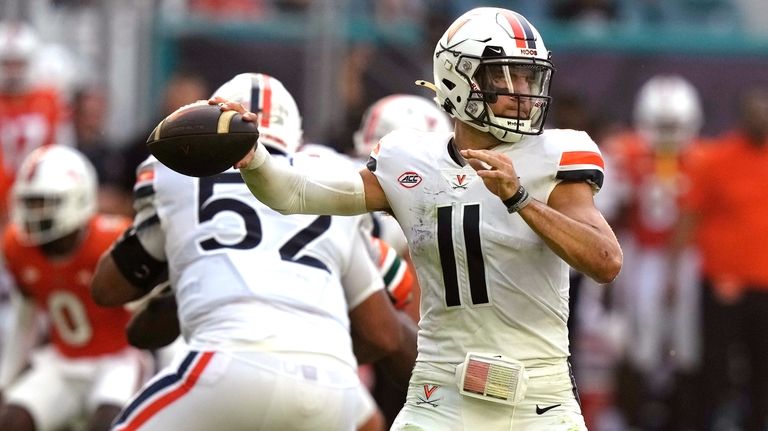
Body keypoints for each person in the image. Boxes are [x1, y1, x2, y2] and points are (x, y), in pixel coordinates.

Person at [227, 7, 622, 430]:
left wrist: (520, 198)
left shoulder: (554, 156)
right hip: (439, 396)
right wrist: (254, 158)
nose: (522, 92)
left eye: (528, 78)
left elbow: (605, 260)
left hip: (538, 403)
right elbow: (294, 193)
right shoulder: (409, 161)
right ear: (459, 78)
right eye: (506, 78)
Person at [90, 73, 417, 431]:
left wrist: (177, 263)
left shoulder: (174, 173)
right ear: (296, 134)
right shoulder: (329, 174)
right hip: (331, 386)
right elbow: (382, 334)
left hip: (227, 363)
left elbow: (108, 290)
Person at [0, 145, 151, 431]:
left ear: (78, 198)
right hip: (62, 361)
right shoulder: (17, 247)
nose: (35, 213)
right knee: (11, 420)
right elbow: (25, 318)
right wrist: (4, 381)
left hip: (118, 360)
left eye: (44, 202)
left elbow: (155, 308)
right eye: (30, 203)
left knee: (107, 423)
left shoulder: (113, 240)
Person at [604, 74, 705, 430]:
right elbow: (614, 210)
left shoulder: (702, 158)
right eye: (661, 124)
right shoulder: (627, 152)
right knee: (637, 335)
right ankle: (637, 408)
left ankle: (677, 409)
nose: (667, 133)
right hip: (641, 253)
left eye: (673, 124)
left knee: (685, 339)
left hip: (687, 256)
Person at [673, 87, 768, 431]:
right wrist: (673, 271)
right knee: (714, 363)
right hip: (722, 282)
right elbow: (690, 216)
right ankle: (703, 422)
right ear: (743, 119)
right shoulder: (717, 159)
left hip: (764, 285)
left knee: (761, 368)